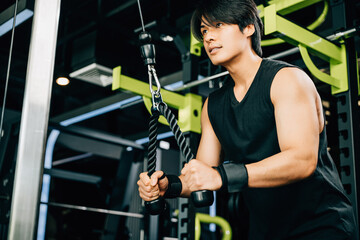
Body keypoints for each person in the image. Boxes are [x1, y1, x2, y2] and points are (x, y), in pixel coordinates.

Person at [137, 0, 357, 239]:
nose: (208, 37)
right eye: (204, 31)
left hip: (321, 226)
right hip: (265, 231)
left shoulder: (286, 80)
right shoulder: (213, 105)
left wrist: (222, 176)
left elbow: (301, 161)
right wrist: (167, 186)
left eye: (218, 25)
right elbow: (201, 176)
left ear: (249, 27)